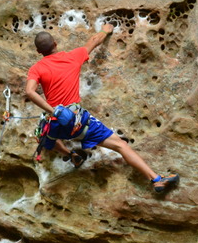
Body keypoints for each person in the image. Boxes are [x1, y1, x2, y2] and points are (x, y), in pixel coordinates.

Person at [25, 24, 179, 193]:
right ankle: (156, 179)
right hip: (78, 122)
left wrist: (53, 111)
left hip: (57, 124)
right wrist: (106, 30)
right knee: (121, 145)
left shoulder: (36, 68)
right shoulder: (72, 57)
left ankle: (72, 156)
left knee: (44, 135)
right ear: (55, 43)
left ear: (39, 52)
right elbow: (94, 40)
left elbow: (30, 92)